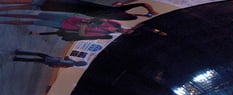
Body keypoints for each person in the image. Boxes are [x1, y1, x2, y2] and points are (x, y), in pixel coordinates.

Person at [0, 12, 133, 40]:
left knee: (35, 22)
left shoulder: (105, 34)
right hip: (71, 18)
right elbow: (100, 17)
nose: (125, 30)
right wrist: (98, 20)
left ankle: (4, 21)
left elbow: (82, 34)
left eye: (126, 32)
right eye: (128, 30)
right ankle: (7, 14)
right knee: (39, 15)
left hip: (65, 25)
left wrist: (84, 25)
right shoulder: (116, 24)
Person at [0, 0, 156, 20]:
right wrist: (145, 11)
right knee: (31, 5)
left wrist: (147, 10)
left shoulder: (107, 11)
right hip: (64, 6)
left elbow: (139, 5)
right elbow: (137, 6)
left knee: (31, 3)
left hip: (64, 4)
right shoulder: (104, 12)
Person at [12, 50, 87, 67]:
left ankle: (19, 54)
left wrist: (67, 58)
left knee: (36, 55)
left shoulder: (71, 63)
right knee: (33, 59)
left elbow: (62, 61)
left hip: (50, 59)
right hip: (49, 61)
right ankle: (18, 57)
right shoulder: (72, 64)